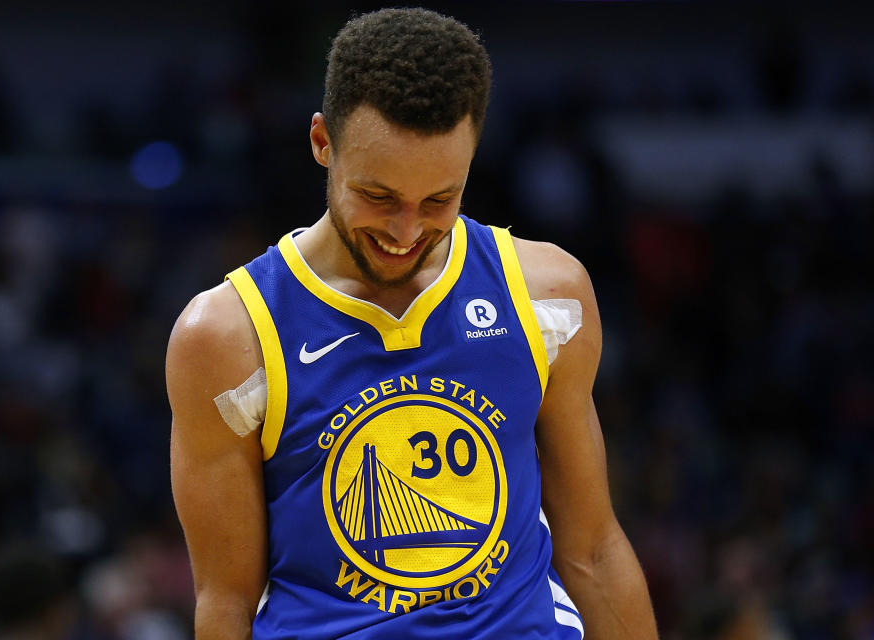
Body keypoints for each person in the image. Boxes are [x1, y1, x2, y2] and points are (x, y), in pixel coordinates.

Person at [167, 8, 658, 639]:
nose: (405, 232)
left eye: (438, 201)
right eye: (378, 197)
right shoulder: (226, 336)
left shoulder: (547, 294)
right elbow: (227, 600)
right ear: (323, 143)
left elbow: (592, 551)